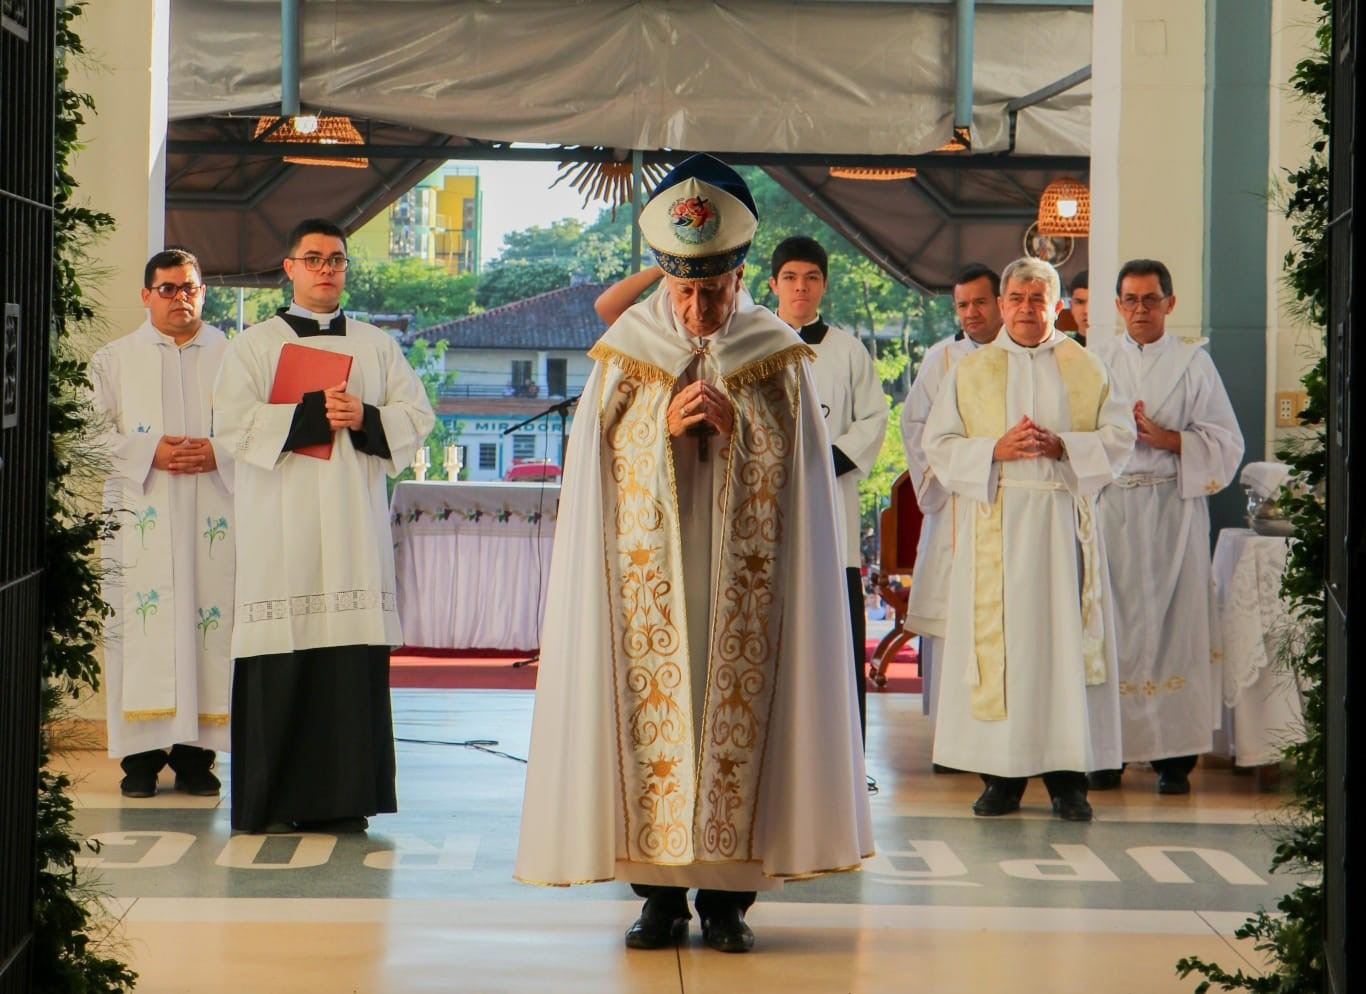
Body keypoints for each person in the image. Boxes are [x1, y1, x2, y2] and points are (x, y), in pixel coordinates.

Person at [516, 155, 872, 953]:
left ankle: (726, 902)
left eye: (714, 291)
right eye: (685, 292)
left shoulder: (772, 350)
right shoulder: (629, 348)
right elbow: (598, 471)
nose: (700, 308)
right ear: (664, 281)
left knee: (733, 715)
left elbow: (804, 482)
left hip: (750, 589)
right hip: (652, 583)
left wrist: (744, 432)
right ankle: (658, 896)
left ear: (741, 274)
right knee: (653, 719)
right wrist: (659, 434)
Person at [212, 218, 435, 834]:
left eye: (336, 259)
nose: (326, 269)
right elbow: (230, 425)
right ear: (289, 268)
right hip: (278, 529)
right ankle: (277, 801)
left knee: (346, 662)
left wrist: (364, 415)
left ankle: (344, 800)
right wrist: (310, 413)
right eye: (313, 259)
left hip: (352, 528)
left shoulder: (375, 345)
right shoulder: (254, 345)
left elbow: (417, 417)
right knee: (281, 653)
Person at [922, 256, 1135, 822]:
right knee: (1005, 654)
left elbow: (1119, 438)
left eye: (1037, 299)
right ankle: (1002, 779)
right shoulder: (971, 370)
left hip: (1062, 528)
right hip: (998, 519)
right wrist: (994, 449)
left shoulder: (1085, 366)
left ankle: (1069, 783)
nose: (1024, 309)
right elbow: (937, 443)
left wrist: (1063, 445)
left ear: (1056, 305)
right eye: (1015, 298)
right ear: (1002, 302)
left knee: (1061, 649)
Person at [1089, 259, 1244, 795]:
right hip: (1110, 508)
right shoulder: (1094, 360)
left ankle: (1173, 759)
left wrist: (1167, 438)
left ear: (1170, 304)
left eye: (1150, 300)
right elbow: (1075, 431)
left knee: (1175, 628)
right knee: (1112, 626)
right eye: (1129, 299)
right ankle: (1105, 754)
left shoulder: (1193, 364)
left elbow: (1227, 443)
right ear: (1117, 305)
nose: (1139, 310)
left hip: (1171, 511)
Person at [91, 248, 235, 799]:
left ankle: (198, 760)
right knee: (143, 627)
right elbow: (85, 437)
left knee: (208, 628)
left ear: (204, 291)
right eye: (169, 288)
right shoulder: (114, 359)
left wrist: (219, 453)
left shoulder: (233, 355)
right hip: (140, 525)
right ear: (146, 295)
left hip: (213, 519)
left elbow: (257, 430)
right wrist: (148, 450)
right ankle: (141, 761)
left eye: (191, 288)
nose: (182, 298)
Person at [765, 236, 888, 744]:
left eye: (811, 278)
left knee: (836, 636)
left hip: (830, 502)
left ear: (824, 285)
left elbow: (874, 418)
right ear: (772, 284)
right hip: (767, 501)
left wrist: (824, 461)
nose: (801, 287)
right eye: (790, 277)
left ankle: (844, 748)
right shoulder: (753, 343)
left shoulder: (848, 350)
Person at [900, 263, 1003, 727]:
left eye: (980, 302)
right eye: (962, 304)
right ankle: (950, 730)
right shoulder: (941, 359)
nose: (971, 313)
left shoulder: (1022, 355)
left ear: (1001, 302)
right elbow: (915, 425)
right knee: (952, 617)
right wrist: (951, 468)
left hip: (1005, 500)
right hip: (957, 504)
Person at [1066, 270, 1090, 345]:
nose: (1086, 311)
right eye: (1080, 302)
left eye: (1094, 303)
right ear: (1071, 306)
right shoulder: (1062, 351)